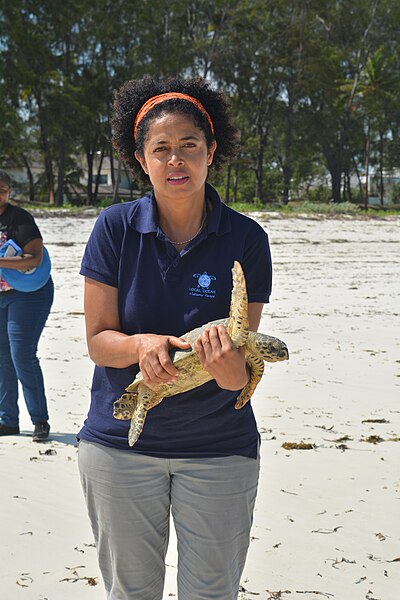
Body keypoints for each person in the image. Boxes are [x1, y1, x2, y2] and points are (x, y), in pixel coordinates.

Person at [78, 76, 273, 600]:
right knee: (131, 593)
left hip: (219, 451)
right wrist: (142, 345)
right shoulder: (115, 228)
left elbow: (240, 375)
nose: (176, 160)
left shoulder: (247, 239)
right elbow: (99, 341)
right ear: (141, 160)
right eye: (160, 149)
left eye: (189, 145)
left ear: (211, 152)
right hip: (120, 445)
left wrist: (224, 364)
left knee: (212, 593)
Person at [0, 171, 54, 441]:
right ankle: (7, 421)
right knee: (2, 358)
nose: (1, 194)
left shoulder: (19, 218)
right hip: (1, 295)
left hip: (30, 294)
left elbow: (32, 259)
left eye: (4, 189)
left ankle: (40, 420)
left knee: (22, 354)